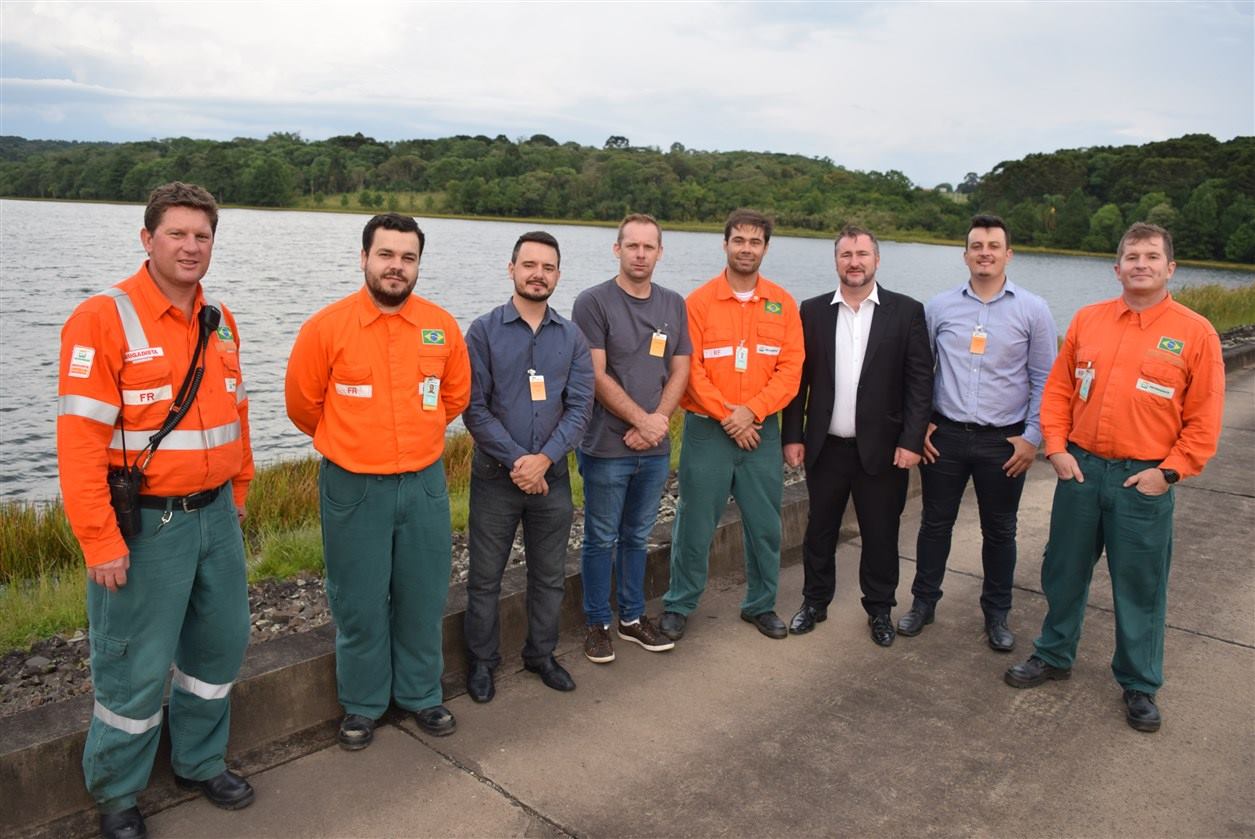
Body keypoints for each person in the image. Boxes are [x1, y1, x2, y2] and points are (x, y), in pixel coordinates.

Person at [57, 182, 256, 839]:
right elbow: (79, 443)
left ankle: (200, 761)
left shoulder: (220, 318)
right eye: (177, 233)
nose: (191, 246)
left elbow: (237, 415)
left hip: (217, 519)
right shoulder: (102, 319)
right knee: (133, 666)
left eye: (202, 236)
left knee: (219, 646)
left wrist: (240, 495)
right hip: (146, 526)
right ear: (147, 239)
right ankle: (116, 793)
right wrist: (99, 538)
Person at [1004, 222, 1224, 733]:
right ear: (1117, 267)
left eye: (1151, 256)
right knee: (1063, 571)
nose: (1140, 264)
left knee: (1141, 587)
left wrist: (1168, 473)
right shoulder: (1089, 320)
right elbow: (1057, 391)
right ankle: (1054, 655)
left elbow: (1203, 418)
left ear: (1170, 268)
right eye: (1131, 256)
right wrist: (1056, 449)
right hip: (1081, 472)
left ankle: (1140, 683)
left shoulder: (1195, 333)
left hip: (1141, 481)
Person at [285, 213, 471, 749]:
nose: (396, 267)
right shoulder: (327, 327)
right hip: (353, 486)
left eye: (407, 258)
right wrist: (351, 439)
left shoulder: (440, 326)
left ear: (417, 265)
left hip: (424, 485)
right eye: (386, 255)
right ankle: (363, 704)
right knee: (359, 600)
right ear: (363, 257)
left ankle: (420, 695)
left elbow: (455, 395)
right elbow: (302, 404)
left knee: (422, 592)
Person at [899, 215, 1057, 651]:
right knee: (934, 525)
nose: (984, 252)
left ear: (1008, 254)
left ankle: (996, 615)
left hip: (1003, 442)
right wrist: (922, 424)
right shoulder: (939, 308)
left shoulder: (1033, 309)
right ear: (965, 254)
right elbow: (920, 372)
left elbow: (1045, 378)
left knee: (1001, 530)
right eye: (976, 245)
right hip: (945, 437)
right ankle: (923, 604)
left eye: (993, 245)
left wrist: (1032, 437)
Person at [781, 225, 933, 647]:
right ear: (836, 261)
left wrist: (912, 440)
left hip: (884, 451)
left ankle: (880, 610)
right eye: (846, 254)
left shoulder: (906, 312)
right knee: (819, 531)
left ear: (877, 260)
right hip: (825, 446)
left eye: (862, 254)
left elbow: (920, 383)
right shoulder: (811, 311)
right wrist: (792, 435)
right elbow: (798, 382)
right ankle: (814, 602)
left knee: (881, 533)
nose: (854, 262)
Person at [658, 209, 804, 642]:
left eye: (754, 242)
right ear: (725, 244)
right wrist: (727, 415)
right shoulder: (698, 303)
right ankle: (680, 603)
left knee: (765, 524)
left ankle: (760, 604)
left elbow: (791, 369)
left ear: (766, 248)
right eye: (738, 240)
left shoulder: (782, 303)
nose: (746, 248)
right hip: (708, 431)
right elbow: (690, 369)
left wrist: (752, 412)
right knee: (694, 522)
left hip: (760, 432)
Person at [462, 231, 594, 701]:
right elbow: (473, 408)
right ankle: (481, 662)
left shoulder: (572, 336)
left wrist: (544, 460)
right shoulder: (482, 331)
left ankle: (541, 654)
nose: (538, 275)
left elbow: (580, 407)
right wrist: (519, 460)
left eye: (548, 267)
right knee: (485, 577)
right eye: (530, 265)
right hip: (497, 478)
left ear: (558, 274)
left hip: (553, 478)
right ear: (512, 268)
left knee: (549, 574)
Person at [571, 214, 691, 664]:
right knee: (601, 536)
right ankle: (597, 623)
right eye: (632, 246)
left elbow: (680, 368)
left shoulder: (673, 304)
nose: (640, 254)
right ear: (616, 249)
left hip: (655, 449)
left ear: (660, 252)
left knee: (637, 536)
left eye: (649, 246)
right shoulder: (593, 303)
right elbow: (595, 374)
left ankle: (633, 618)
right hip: (606, 447)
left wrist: (657, 421)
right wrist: (642, 420)